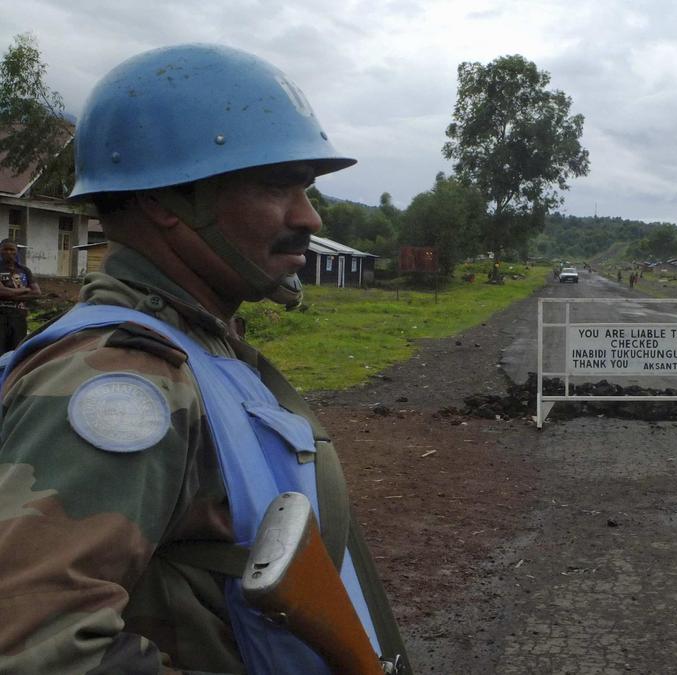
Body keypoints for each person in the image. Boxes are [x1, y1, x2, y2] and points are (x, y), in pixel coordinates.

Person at [0, 45, 409, 674]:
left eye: (306, 187)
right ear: (167, 202)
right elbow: (35, 650)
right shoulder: (119, 380)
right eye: (278, 185)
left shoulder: (198, 345)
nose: (309, 215)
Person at [0, 239, 40, 353]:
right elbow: (1, 292)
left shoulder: (24, 270)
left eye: (11, 249)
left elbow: (37, 293)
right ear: (0, 251)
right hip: (1, 316)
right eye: (5, 249)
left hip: (19, 317)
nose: (8, 252)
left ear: (16, 251)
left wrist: (10, 294)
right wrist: (25, 290)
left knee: (17, 351)